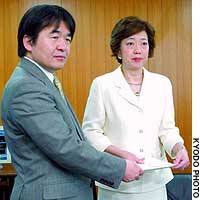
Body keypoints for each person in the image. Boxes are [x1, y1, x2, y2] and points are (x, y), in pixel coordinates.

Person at [1, 6, 143, 200]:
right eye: (54, 36)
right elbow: (65, 148)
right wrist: (120, 168)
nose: (63, 46)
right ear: (28, 41)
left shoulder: (42, 80)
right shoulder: (27, 86)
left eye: (67, 39)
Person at [82, 16, 190, 200]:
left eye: (144, 43)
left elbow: (168, 129)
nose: (138, 50)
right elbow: (91, 131)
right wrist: (121, 154)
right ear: (118, 50)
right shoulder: (102, 84)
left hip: (154, 182)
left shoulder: (162, 84)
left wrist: (179, 148)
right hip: (117, 181)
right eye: (130, 43)